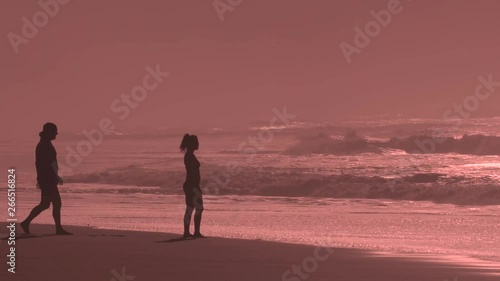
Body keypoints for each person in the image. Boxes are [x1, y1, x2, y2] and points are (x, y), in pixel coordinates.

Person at [20, 123, 72, 235]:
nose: (56, 133)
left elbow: (40, 163)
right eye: (54, 131)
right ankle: (57, 229)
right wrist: (52, 176)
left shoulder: (44, 144)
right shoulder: (44, 145)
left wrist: (41, 177)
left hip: (47, 178)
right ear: (49, 132)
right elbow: (46, 163)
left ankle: (26, 222)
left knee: (46, 204)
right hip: (48, 178)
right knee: (55, 203)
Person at [180, 134, 205, 238]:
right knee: (196, 208)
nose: (198, 144)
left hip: (192, 184)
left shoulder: (190, 155)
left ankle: (192, 232)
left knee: (193, 208)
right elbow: (192, 172)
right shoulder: (189, 156)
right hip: (192, 185)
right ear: (192, 144)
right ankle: (193, 232)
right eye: (196, 142)